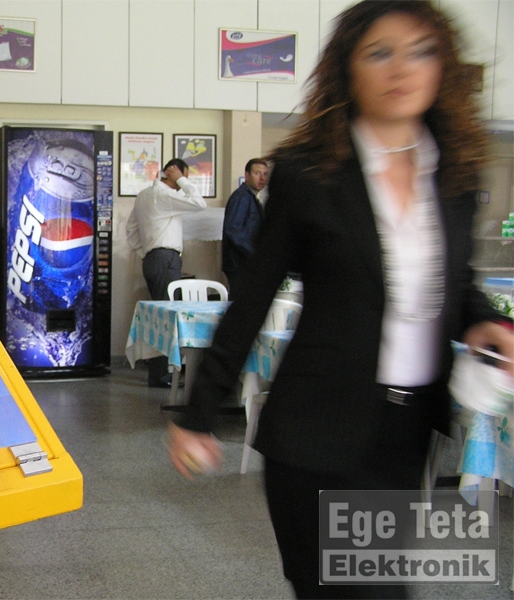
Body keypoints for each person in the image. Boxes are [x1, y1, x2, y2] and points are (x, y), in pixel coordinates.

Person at [166, 2, 514, 598]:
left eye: (422, 51)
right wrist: (198, 414)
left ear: (444, 67)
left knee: (378, 586)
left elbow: (453, 281)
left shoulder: (453, 172)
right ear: (348, 68)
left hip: (406, 432)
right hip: (317, 429)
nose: (402, 68)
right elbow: (252, 297)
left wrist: (483, 322)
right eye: (379, 52)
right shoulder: (310, 173)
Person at [127, 158, 207, 387]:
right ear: (173, 174)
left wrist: (145, 254)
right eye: (183, 177)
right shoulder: (164, 195)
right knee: (167, 318)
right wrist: (181, 179)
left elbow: (131, 229)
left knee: (158, 316)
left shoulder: (144, 195)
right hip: (166, 259)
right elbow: (199, 203)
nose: (183, 183)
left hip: (153, 260)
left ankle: (159, 373)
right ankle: (160, 375)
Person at [222, 158, 269, 296]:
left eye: (265, 174)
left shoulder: (250, 197)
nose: (262, 178)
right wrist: (255, 254)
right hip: (240, 263)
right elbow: (233, 230)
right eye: (257, 173)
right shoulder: (242, 197)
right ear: (247, 175)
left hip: (244, 262)